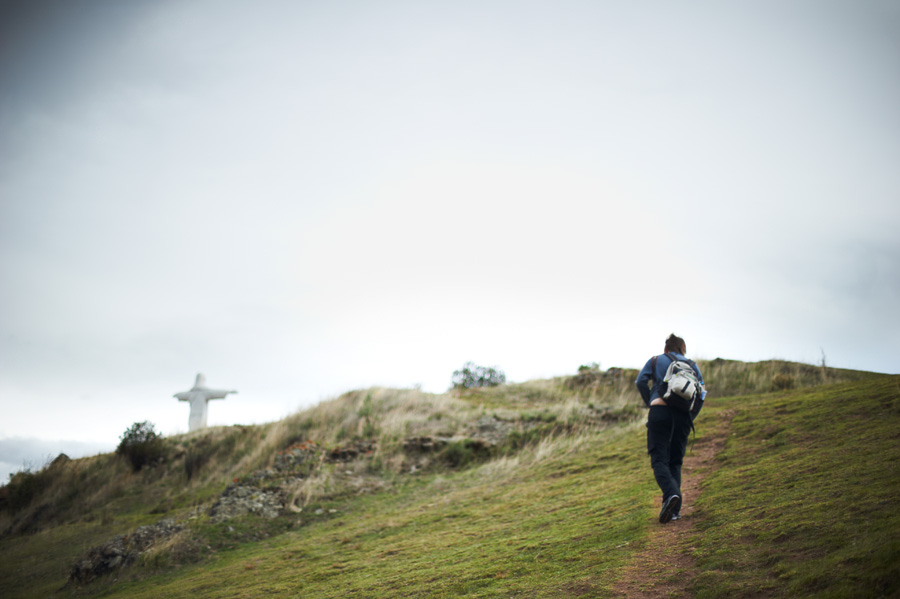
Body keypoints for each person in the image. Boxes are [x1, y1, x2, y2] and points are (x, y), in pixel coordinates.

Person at [635, 333, 706, 524]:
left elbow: (640, 381)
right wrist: (691, 416)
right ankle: (674, 511)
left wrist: (650, 401)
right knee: (675, 462)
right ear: (683, 349)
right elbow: (702, 394)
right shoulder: (692, 365)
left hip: (660, 411)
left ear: (666, 348)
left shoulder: (656, 360)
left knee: (659, 458)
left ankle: (671, 494)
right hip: (683, 415)